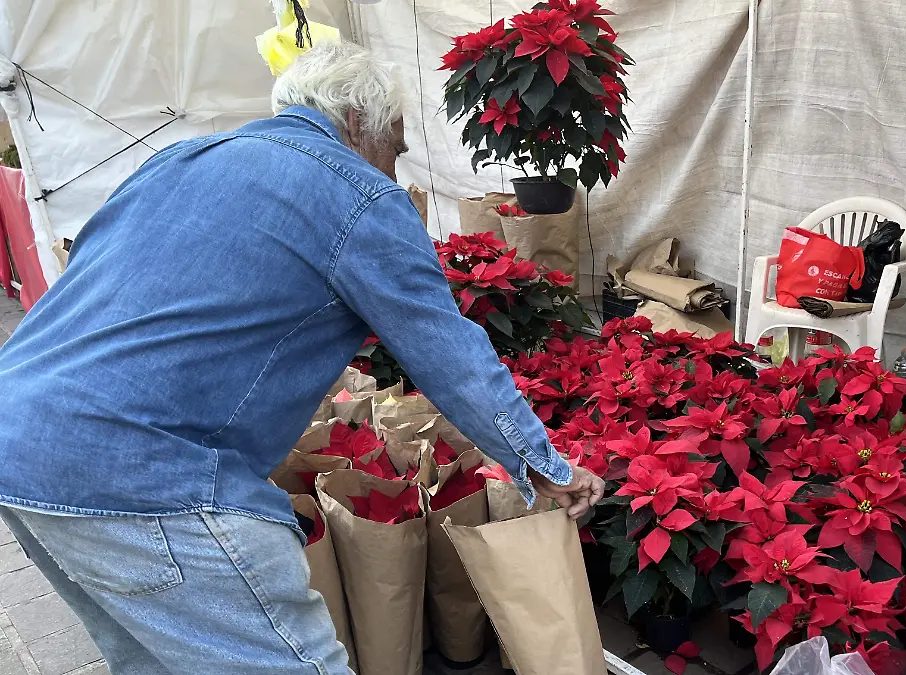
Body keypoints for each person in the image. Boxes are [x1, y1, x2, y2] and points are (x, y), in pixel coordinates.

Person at [0, 41, 603, 674]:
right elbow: (450, 355)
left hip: (18, 436)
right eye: (394, 146)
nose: (392, 168)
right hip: (140, 467)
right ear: (362, 123)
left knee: (156, 659)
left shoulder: (178, 159)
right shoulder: (356, 195)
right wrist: (544, 465)